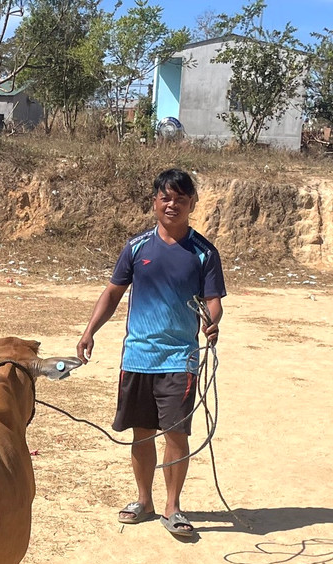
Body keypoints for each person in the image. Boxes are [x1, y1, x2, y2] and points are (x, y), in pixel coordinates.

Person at [76, 167, 226, 540]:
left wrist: (211, 322)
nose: (172, 204)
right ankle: (143, 501)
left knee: (175, 434)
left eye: (180, 199)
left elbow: (213, 301)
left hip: (180, 358)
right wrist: (90, 331)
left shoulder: (204, 253)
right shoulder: (136, 247)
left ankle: (173, 508)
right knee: (141, 433)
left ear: (192, 204)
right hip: (138, 357)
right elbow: (112, 293)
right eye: (165, 197)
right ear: (155, 201)